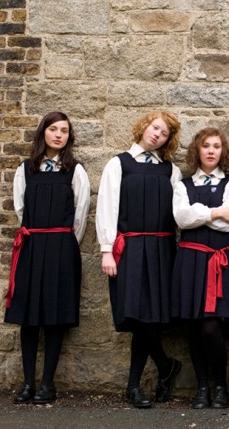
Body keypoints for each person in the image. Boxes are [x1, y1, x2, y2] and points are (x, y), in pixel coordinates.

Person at [96, 111, 183, 409]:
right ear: (145, 127)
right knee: (135, 315)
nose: (158, 134)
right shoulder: (119, 164)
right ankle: (164, 366)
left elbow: (179, 212)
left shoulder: (170, 171)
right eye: (155, 127)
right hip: (130, 249)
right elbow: (106, 207)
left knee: (150, 317)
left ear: (168, 140)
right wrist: (107, 249)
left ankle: (134, 386)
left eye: (165, 133)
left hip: (161, 250)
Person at [5, 111, 90, 404]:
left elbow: (80, 214)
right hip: (32, 246)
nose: (58, 135)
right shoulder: (25, 170)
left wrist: (62, 242)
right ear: (43, 132)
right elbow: (20, 210)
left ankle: (47, 384)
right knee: (29, 317)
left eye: (64, 131)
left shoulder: (75, 171)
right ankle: (28, 382)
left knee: (55, 316)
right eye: (53, 129)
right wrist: (38, 236)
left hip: (61, 248)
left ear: (69, 137)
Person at [171, 127, 229, 409]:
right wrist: (215, 212)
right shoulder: (183, 185)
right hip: (190, 260)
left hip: (219, 262)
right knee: (194, 326)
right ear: (196, 150)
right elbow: (181, 218)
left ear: (223, 151)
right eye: (206, 146)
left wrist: (200, 214)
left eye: (216, 146)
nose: (211, 151)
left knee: (212, 326)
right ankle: (201, 388)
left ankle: (221, 387)